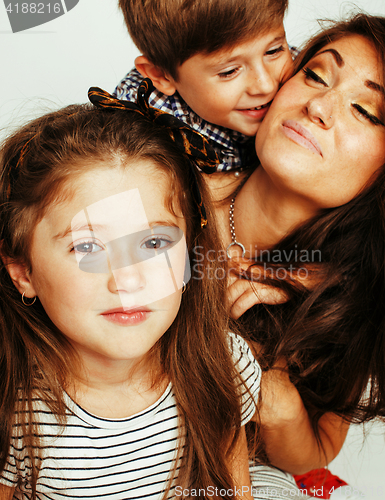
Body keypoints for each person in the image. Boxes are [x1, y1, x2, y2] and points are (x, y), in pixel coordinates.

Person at [0, 103, 263, 499]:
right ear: (23, 272)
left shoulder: (222, 362)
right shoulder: (14, 408)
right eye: (87, 246)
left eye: (154, 243)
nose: (128, 279)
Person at [205, 11, 385, 484]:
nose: (319, 106)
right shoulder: (159, 187)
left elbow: (313, 461)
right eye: (315, 75)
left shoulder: (353, 294)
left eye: (365, 111)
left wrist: (276, 397)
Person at [114, 0, 295, 172]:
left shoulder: (308, 77)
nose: (266, 86)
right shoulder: (138, 133)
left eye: (274, 50)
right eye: (229, 71)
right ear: (162, 75)